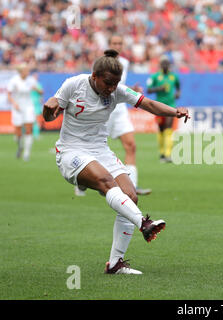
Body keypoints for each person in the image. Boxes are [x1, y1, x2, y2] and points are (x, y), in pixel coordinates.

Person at [43, 49, 190, 274]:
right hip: (71, 151)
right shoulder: (74, 84)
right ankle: (144, 223)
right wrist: (47, 110)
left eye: (116, 84)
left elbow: (148, 104)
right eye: (108, 83)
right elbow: (50, 115)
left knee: (130, 195)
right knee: (106, 181)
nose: (111, 89)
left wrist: (175, 112)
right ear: (95, 76)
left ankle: (115, 264)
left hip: (100, 150)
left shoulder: (116, 91)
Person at [75, 35, 151, 196]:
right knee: (92, 148)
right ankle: (82, 180)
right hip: (102, 109)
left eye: (119, 43)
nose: (117, 45)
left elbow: (119, 87)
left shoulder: (124, 63)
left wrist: (133, 90)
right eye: (114, 43)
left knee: (131, 145)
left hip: (120, 110)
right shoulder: (100, 64)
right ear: (109, 45)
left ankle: (133, 185)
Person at [146, 56, 181, 163]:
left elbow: (178, 87)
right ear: (160, 65)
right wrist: (159, 89)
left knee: (168, 128)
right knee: (161, 129)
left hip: (171, 105)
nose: (165, 65)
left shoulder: (174, 76)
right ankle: (162, 153)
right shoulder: (156, 76)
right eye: (163, 64)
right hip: (159, 107)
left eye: (167, 64)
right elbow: (149, 90)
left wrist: (178, 93)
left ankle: (168, 154)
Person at [7, 64, 42, 161]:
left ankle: (27, 153)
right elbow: (9, 95)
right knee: (18, 131)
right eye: (26, 70)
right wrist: (14, 103)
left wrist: (38, 90)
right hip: (17, 107)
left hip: (28, 106)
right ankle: (20, 146)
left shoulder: (31, 80)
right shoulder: (14, 81)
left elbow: (40, 92)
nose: (27, 72)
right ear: (21, 71)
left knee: (28, 129)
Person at [30, 73, 44, 139]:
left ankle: (36, 135)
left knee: (36, 120)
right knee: (28, 120)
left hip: (36, 104)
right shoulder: (28, 85)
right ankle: (25, 134)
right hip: (29, 104)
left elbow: (41, 93)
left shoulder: (38, 85)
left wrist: (36, 89)